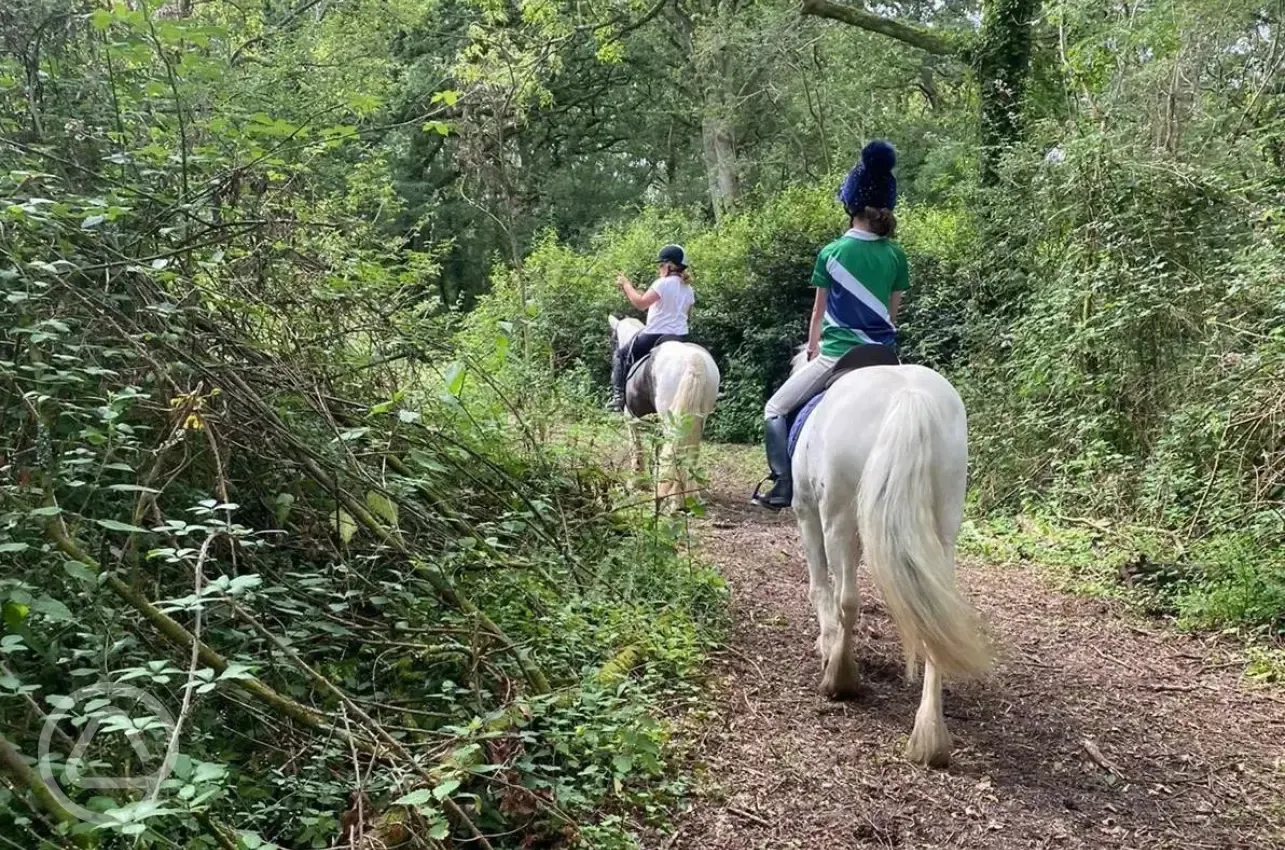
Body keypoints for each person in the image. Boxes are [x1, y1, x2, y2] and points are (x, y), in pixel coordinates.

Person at [751, 140, 909, 510]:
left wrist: (812, 348)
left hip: (837, 355)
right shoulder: (897, 255)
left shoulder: (832, 253)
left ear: (850, 205)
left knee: (774, 408)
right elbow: (892, 314)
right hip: (884, 355)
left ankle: (782, 485)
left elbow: (818, 314)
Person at [607, 244, 695, 412]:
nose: (659, 269)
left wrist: (626, 285)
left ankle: (618, 398)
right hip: (680, 337)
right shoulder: (688, 289)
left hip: (655, 335)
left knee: (621, 354)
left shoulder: (662, 283)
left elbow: (640, 304)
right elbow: (687, 316)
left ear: (669, 265)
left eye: (661, 265)